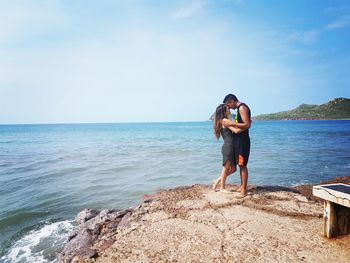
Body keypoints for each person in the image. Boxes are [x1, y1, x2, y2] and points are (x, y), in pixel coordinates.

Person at [222, 94, 251, 198]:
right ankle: (242, 186)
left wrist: (230, 123)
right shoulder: (240, 109)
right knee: (240, 164)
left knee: (242, 165)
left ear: (231, 101)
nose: (229, 107)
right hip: (239, 141)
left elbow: (247, 125)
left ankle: (244, 190)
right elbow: (246, 123)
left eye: (228, 105)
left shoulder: (242, 108)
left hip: (242, 142)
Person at [212, 104, 238, 193]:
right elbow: (236, 129)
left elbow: (234, 126)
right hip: (228, 146)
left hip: (231, 146)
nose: (229, 108)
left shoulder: (225, 119)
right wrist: (247, 125)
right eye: (227, 108)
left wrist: (230, 116)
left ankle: (217, 180)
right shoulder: (224, 120)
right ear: (223, 111)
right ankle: (222, 188)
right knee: (226, 168)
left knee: (234, 169)